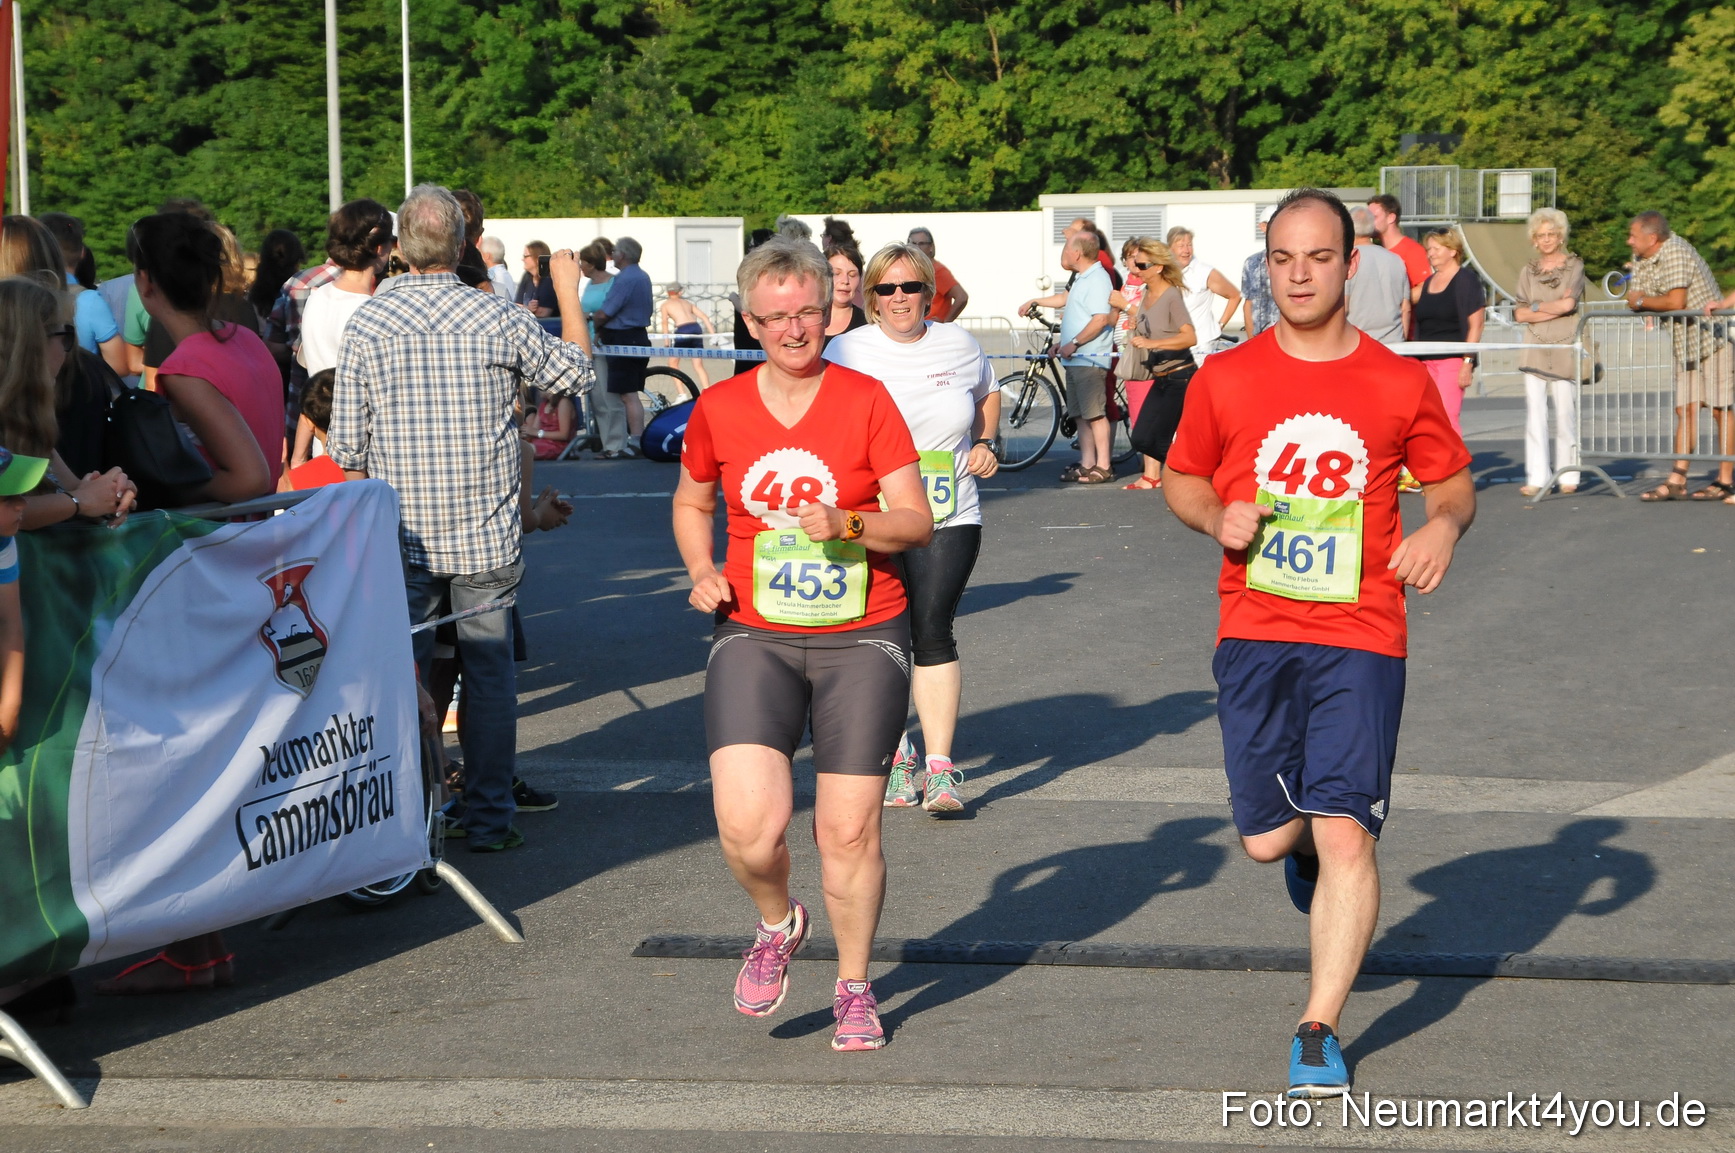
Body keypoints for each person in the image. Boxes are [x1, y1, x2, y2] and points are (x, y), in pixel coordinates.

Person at [1162, 188, 1475, 1099]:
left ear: (1350, 265)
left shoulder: (1392, 379)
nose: (1299, 275)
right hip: (1254, 630)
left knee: (1346, 834)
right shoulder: (1225, 377)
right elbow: (1183, 479)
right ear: (1268, 266)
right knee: (1268, 840)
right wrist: (1215, 514)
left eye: (1318, 257)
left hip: (1362, 634)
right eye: (1283, 259)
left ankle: (1317, 1024)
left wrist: (1441, 530)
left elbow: (1452, 486)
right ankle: (1295, 847)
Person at [674, 236, 930, 1052]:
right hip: (754, 629)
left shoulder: (865, 400)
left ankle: (854, 985)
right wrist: (700, 569)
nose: (794, 329)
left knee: (847, 831)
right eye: (776, 316)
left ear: (831, 311)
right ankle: (778, 921)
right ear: (750, 322)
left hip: (863, 634)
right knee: (748, 827)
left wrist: (849, 522)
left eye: (809, 312)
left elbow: (915, 520)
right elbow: (690, 502)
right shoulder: (720, 407)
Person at [328, 184, 594, 853]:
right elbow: (576, 374)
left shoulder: (369, 324)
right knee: (489, 676)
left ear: (399, 248)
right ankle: (488, 817)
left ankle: (407, 819)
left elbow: (346, 451)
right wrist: (566, 290)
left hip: (400, 539)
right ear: (460, 243)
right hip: (484, 531)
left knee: (401, 682)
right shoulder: (493, 316)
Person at [824, 242, 998, 813]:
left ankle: (941, 769)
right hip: (875, 514)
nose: (900, 299)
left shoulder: (959, 342)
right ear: (871, 297)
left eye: (911, 287)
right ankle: (898, 754)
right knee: (884, 633)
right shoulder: (847, 350)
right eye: (887, 289)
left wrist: (986, 441)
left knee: (931, 627)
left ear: (929, 291)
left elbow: (988, 391)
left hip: (950, 510)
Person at [131, 212, 282, 502]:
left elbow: (251, 479)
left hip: (220, 536)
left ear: (146, 281)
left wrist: (173, 491)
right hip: (257, 529)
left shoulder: (186, 370)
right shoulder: (246, 338)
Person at [0, 273, 135, 533]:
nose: (68, 349)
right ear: (31, 343)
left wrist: (110, 492)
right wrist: (78, 502)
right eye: (66, 335)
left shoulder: (28, 416)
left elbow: (73, 487)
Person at [1625, 211, 1735, 502]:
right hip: (1684, 344)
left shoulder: (1675, 251)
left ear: (1652, 237)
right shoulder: (1641, 257)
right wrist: (1641, 300)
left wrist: (1642, 301)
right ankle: (1677, 479)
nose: (1629, 241)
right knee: (1684, 409)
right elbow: (1632, 295)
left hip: (1712, 339)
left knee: (1719, 409)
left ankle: (1724, 481)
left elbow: (1675, 301)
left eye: (1633, 236)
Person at [1512, 208, 1584, 497]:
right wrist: (1546, 309)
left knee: (1566, 411)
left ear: (1561, 236)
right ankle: (1537, 476)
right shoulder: (1527, 271)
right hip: (1535, 345)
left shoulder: (1574, 265)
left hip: (1566, 343)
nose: (1546, 240)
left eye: (1551, 234)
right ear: (1533, 239)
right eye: (1541, 235)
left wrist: (1537, 308)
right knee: (1535, 413)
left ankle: (1570, 474)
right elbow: (1519, 314)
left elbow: (1569, 306)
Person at [1120, 238, 1196, 490]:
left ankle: (1193, 479)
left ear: (1158, 267)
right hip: (1161, 377)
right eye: (1135, 264)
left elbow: (1189, 336)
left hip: (1180, 376)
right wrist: (1135, 325)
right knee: (1141, 438)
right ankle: (1189, 472)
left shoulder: (1171, 295)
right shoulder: (1145, 294)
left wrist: (1152, 344)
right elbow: (1149, 326)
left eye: (1142, 265)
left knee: (1160, 440)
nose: (1137, 269)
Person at [296, 200, 393, 379]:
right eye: (391, 242)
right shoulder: (371, 311)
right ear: (379, 248)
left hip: (320, 401)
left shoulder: (316, 297)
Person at [1410, 228, 1485, 434]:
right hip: (1425, 362)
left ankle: (1455, 466)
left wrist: (1467, 363)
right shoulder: (1428, 283)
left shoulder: (1466, 280)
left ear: (1452, 251)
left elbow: (1476, 323)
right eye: (1428, 249)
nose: (1430, 253)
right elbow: (1403, 299)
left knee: (1447, 419)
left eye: (1436, 248)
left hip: (1452, 361)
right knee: (1428, 420)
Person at [38, 213, 129, 376]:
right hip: (77, 396)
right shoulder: (89, 300)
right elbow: (119, 367)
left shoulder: (17, 294)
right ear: (82, 252)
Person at [593, 236, 654, 454]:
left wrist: (594, 321)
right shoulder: (642, 276)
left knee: (627, 394)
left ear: (624, 255)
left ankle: (635, 439)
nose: (613, 254)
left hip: (624, 338)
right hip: (636, 336)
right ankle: (634, 438)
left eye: (616, 250)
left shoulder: (626, 278)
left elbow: (608, 310)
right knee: (629, 391)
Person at [1166, 226, 1241, 365]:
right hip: (1174, 343)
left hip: (1201, 343)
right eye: (1181, 246)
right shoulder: (1165, 273)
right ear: (1170, 249)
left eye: (1189, 245)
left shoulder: (1204, 272)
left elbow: (1235, 296)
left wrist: (1220, 325)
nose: (1186, 250)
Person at [579, 240, 627, 458]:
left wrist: (595, 325)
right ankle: (608, 442)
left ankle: (617, 443)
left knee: (611, 396)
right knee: (597, 397)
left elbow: (609, 312)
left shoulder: (612, 283)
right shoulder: (589, 284)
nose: (580, 267)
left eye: (582, 263)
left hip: (604, 342)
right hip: (589, 343)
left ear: (591, 264)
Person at [1344, 206, 1410, 345]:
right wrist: (1401, 340)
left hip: (1359, 344)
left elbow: (1344, 307)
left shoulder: (1349, 261)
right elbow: (1405, 308)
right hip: (1393, 344)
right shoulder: (1396, 260)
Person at [1365, 194, 1431, 291]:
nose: (1368, 222)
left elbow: (1424, 288)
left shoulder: (1412, 250)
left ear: (1391, 218)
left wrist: (1398, 301)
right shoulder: (1375, 250)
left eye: (1374, 217)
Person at [660, 281, 716, 389]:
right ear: (680, 292)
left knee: (673, 363)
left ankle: (682, 394)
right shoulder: (687, 303)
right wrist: (713, 335)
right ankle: (707, 390)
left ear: (668, 293)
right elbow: (704, 317)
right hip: (696, 328)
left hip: (683, 329)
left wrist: (666, 342)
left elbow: (664, 323)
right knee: (698, 365)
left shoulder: (665, 305)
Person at [908, 227, 968, 322]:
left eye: (921, 243)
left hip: (932, 329)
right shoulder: (912, 269)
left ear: (931, 247)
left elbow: (962, 297)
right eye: (913, 243)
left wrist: (945, 323)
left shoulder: (937, 270)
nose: (917, 247)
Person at [1239, 206, 1279, 338]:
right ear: (1262, 227)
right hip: (1260, 338)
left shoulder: (1296, 260)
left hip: (1289, 340)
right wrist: (1251, 341)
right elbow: (1248, 303)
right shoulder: (1252, 263)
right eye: (1270, 223)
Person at [823, 238, 869, 341]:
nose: (845, 281)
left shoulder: (867, 326)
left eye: (852, 275)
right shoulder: (806, 319)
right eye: (836, 273)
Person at [516, 240, 556, 316]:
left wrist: (524, 309)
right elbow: (516, 305)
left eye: (525, 256)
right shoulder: (527, 276)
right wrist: (527, 308)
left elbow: (542, 313)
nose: (522, 259)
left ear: (537, 258)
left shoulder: (548, 279)